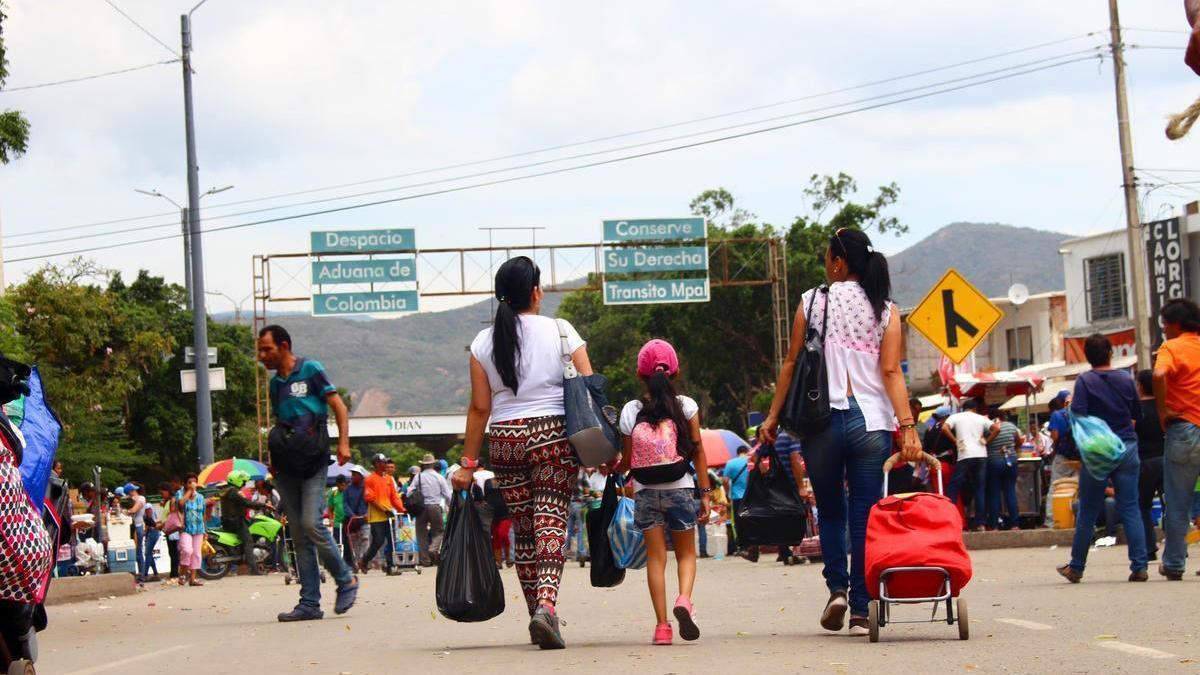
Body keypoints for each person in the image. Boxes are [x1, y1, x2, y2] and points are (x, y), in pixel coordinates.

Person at [759, 227, 922, 637]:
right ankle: (863, 608)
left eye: (827, 259)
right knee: (866, 516)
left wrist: (773, 418)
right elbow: (890, 373)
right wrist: (908, 427)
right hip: (871, 423)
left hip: (822, 422)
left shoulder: (812, 301)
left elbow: (792, 363)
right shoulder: (886, 308)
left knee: (830, 509)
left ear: (838, 262)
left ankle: (837, 590)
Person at [450, 255, 592, 650]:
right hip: (553, 435)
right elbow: (589, 385)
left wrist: (468, 463)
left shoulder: (482, 342)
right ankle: (546, 606)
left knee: (526, 530)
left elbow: (480, 408)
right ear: (535, 291)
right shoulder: (562, 331)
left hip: (506, 438)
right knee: (551, 521)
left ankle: (538, 613)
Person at [257, 324, 359, 621]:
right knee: (299, 534)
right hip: (286, 466)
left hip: (314, 462)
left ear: (284, 346)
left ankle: (346, 579)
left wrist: (343, 442)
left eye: (267, 349)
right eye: (260, 350)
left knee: (311, 524)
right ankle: (310, 603)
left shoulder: (311, 369)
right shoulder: (276, 384)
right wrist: (273, 460)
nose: (262, 356)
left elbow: (337, 405)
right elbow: (281, 423)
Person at [614, 339, 711, 645]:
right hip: (680, 488)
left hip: (645, 492)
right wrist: (705, 493)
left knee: (656, 559)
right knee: (686, 554)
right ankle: (684, 599)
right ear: (674, 371)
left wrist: (612, 469)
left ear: (639, 373)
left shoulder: (631, 410)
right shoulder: (686, 406)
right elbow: (697, 451)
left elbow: (627, 461)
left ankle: (662, 628)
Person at [1056, 334, 1147, 583]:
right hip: (1126, 446)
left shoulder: (1085, 380)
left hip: (1097, 451)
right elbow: (1136, 413)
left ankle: (1076, 567)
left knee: (1087, 509)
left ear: (1087, 357)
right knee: (1130, 506)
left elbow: (1079, 412)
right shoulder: (1127, 379)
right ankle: (1139, 566)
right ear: (1110, 353)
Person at [1151, 298, 1200, 580]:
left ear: (1176, 324)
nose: (1165, 330)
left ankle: (1173, 564)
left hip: (1184, 431)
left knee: (1178, 502)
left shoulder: (1172, 347)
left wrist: (1162, 411)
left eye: (1165, 324)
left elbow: (1158, 374)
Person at [943, 398, 991, 531]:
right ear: (975, 408)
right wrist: (986, 440)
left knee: (953, 487)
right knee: (979, 489)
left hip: (964, 455)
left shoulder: (956, 417)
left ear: (963, 408)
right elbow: (996, 428)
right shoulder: (981, 418)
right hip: (981, 455)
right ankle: (981, 523)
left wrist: (955, 440)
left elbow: (944, 428)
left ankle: (950, 519)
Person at [1134, 369, 1165, 561]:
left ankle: (1149, 548)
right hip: (1164, 460)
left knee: (1142, 506)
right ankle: (1177, 546)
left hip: (1144, 462)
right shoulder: (1164, 406)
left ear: (1140, 386)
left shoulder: (1136, 409)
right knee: (1170, 505)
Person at [219, 470, 270, 575]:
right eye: (243, 481)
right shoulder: (233, 491)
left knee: (247, 538)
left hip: (229, 520)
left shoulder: (227, 490)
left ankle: (244, 560)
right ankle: (254, 569)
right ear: (237, 480)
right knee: (248, 542)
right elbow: (246, 502)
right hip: (235, 521)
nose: (244, 484)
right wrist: (262, 505)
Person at [362, 454, 405, 575]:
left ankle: (391, 566)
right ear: (376, 464)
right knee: (378, 541)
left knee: (392, 541)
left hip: (389, 515)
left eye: (386, 462)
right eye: (383, 462)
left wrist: (402, 509)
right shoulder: (369, 479)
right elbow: (370, 498)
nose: (385, 465)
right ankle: (364, 560)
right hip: (376, 517)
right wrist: (383, 509)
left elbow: (394, 497)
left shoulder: (388, 479)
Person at [984, 408, 1023, 531]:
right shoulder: (1011, 426)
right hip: (1010, 460)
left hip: (994, 461)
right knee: (1010, 492)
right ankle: (1015, 524)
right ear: (1003, 416)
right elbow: (1018, 441)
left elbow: (984, 443)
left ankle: (994, 525)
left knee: (994, 493)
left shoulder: (988, 428)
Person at [409, 453, 451, 567]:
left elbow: (409, 491)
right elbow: (448, 495)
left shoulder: (418, 477)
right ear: (433, 464)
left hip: (421, 508)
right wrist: (450, 506)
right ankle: (433, 549)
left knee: (421, 534)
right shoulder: (439, 477)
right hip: (435, 507)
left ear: (423, 465)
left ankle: (425, 560)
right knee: (439, 531)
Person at [174, 474, 210, 587]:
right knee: (187, 550)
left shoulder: (200, 497)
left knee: (196, 554)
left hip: (198, 529)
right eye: (189, 482)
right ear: (185, 484)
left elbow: (203, 513)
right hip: (185, 528)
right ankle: (182, 574)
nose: (192, 484)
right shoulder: (180, 493)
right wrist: (189, 491)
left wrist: (205, 529)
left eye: (194, 482)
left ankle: (193, 579)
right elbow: (180, 504)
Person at [720, 446, 753, 559]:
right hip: (751, 496)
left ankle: (743, 547)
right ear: (746, 452)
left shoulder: (731, 463)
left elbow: (724, 480)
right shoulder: (751, 460)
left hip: (737, 497)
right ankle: (753, 545)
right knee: (751, 519)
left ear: (737, 452)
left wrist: (727, 493)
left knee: (739, 521)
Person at [342, 466, 368, 570]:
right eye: (352, 474)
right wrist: (352, 515)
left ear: (361, 476)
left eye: (354, 474)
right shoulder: (348, 489)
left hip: (364, 519)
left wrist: (367, 513)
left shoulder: (366, 488)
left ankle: (363, 560)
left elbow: (369, 502)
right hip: (351, 521)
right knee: (354, 543)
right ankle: (357, 562)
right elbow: (345, 504)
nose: (352, 477)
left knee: (365, 539)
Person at [122, 483, 148, 584]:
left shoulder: (141, 499)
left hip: (138, 526)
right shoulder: (131, 500)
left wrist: (126, 511)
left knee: (138, 552)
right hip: (132, 526)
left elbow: (133, 510)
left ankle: (141, 576)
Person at [157, 482, 180, 580]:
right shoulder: (166, 502)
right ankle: (174, 573)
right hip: (168, 530)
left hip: (172, 530)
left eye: (162, 492)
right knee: (172, 552)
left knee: (174, 552)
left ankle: (175, 574)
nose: (161, 494)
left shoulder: (172, 501)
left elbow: (171, 517)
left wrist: (161, 524)